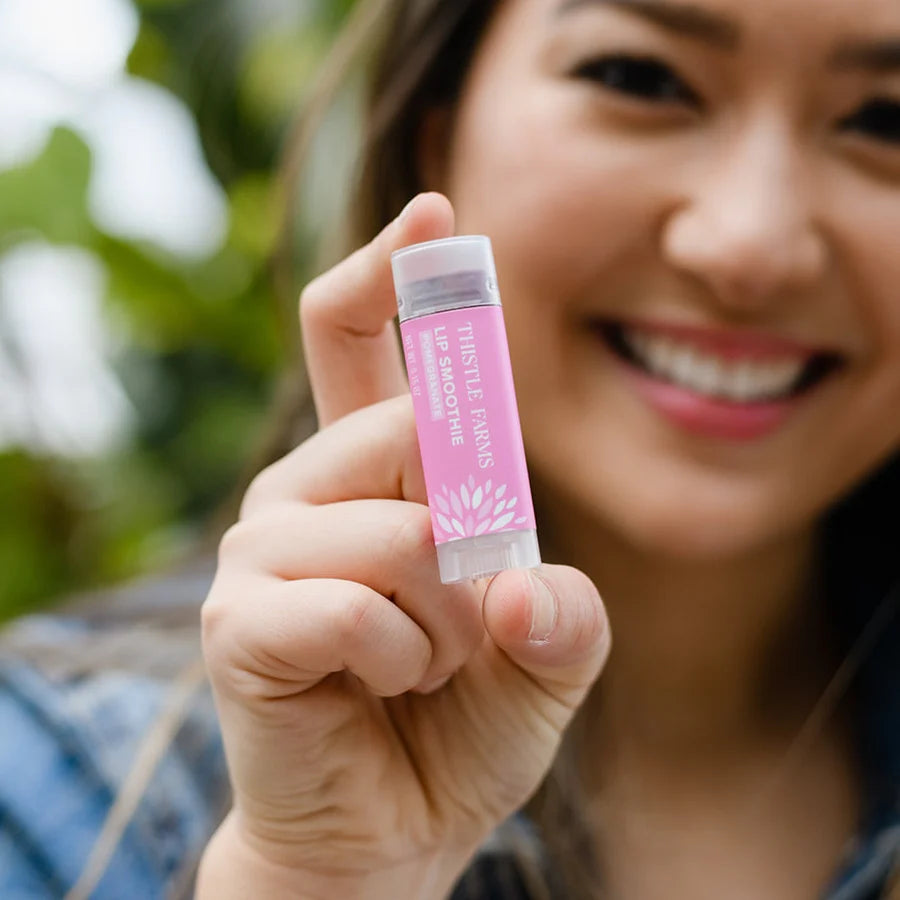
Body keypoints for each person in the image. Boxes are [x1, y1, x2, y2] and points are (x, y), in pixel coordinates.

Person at [3, 0, 900, 897]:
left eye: (886, 119)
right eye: (640, 77)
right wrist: (317, 880)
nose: (747, 243)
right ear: (439, 142)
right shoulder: (53, 790)